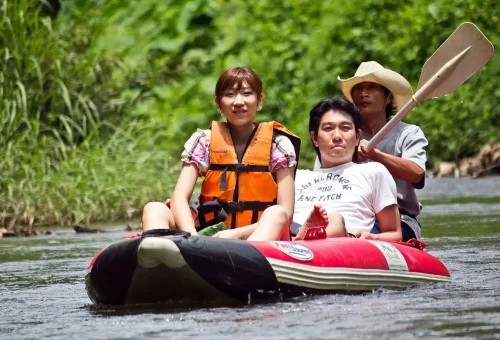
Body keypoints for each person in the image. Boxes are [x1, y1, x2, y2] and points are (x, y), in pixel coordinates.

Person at [141, 66, 301, 241]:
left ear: (259, 100)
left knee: (277, 213)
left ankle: (243, 260)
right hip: (210, 237)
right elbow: (179, 198)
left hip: (258, 236)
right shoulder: (204, 141)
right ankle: (161, 260)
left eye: (247, 93)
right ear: (218, 104)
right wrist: (194, 240)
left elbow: (287, 213)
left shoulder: (278, 144)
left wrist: (235, 234)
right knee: (154, 208)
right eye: (230, 94)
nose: (238, 101)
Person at [315, 62, 427, 241]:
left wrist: (375, 155)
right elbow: (320, 182)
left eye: (372, 88)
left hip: (400, 218)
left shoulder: (408, 133)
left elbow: (416, 174)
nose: (363, 93)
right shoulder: (341, 136)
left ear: (388, 97)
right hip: (349, 214)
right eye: (358, 88)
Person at [293, 97, 402, 241]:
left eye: (345, 128)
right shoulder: (295, 177)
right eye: (328, 128)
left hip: (344, 240)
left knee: (335, 218)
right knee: (276, 213)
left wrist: (373, 237)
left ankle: (309, 235)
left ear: (357, 137)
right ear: (314, 138)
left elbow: (394, 233)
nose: (337, 136)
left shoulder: (373, 172)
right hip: (291, 237)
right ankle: (301, 236)